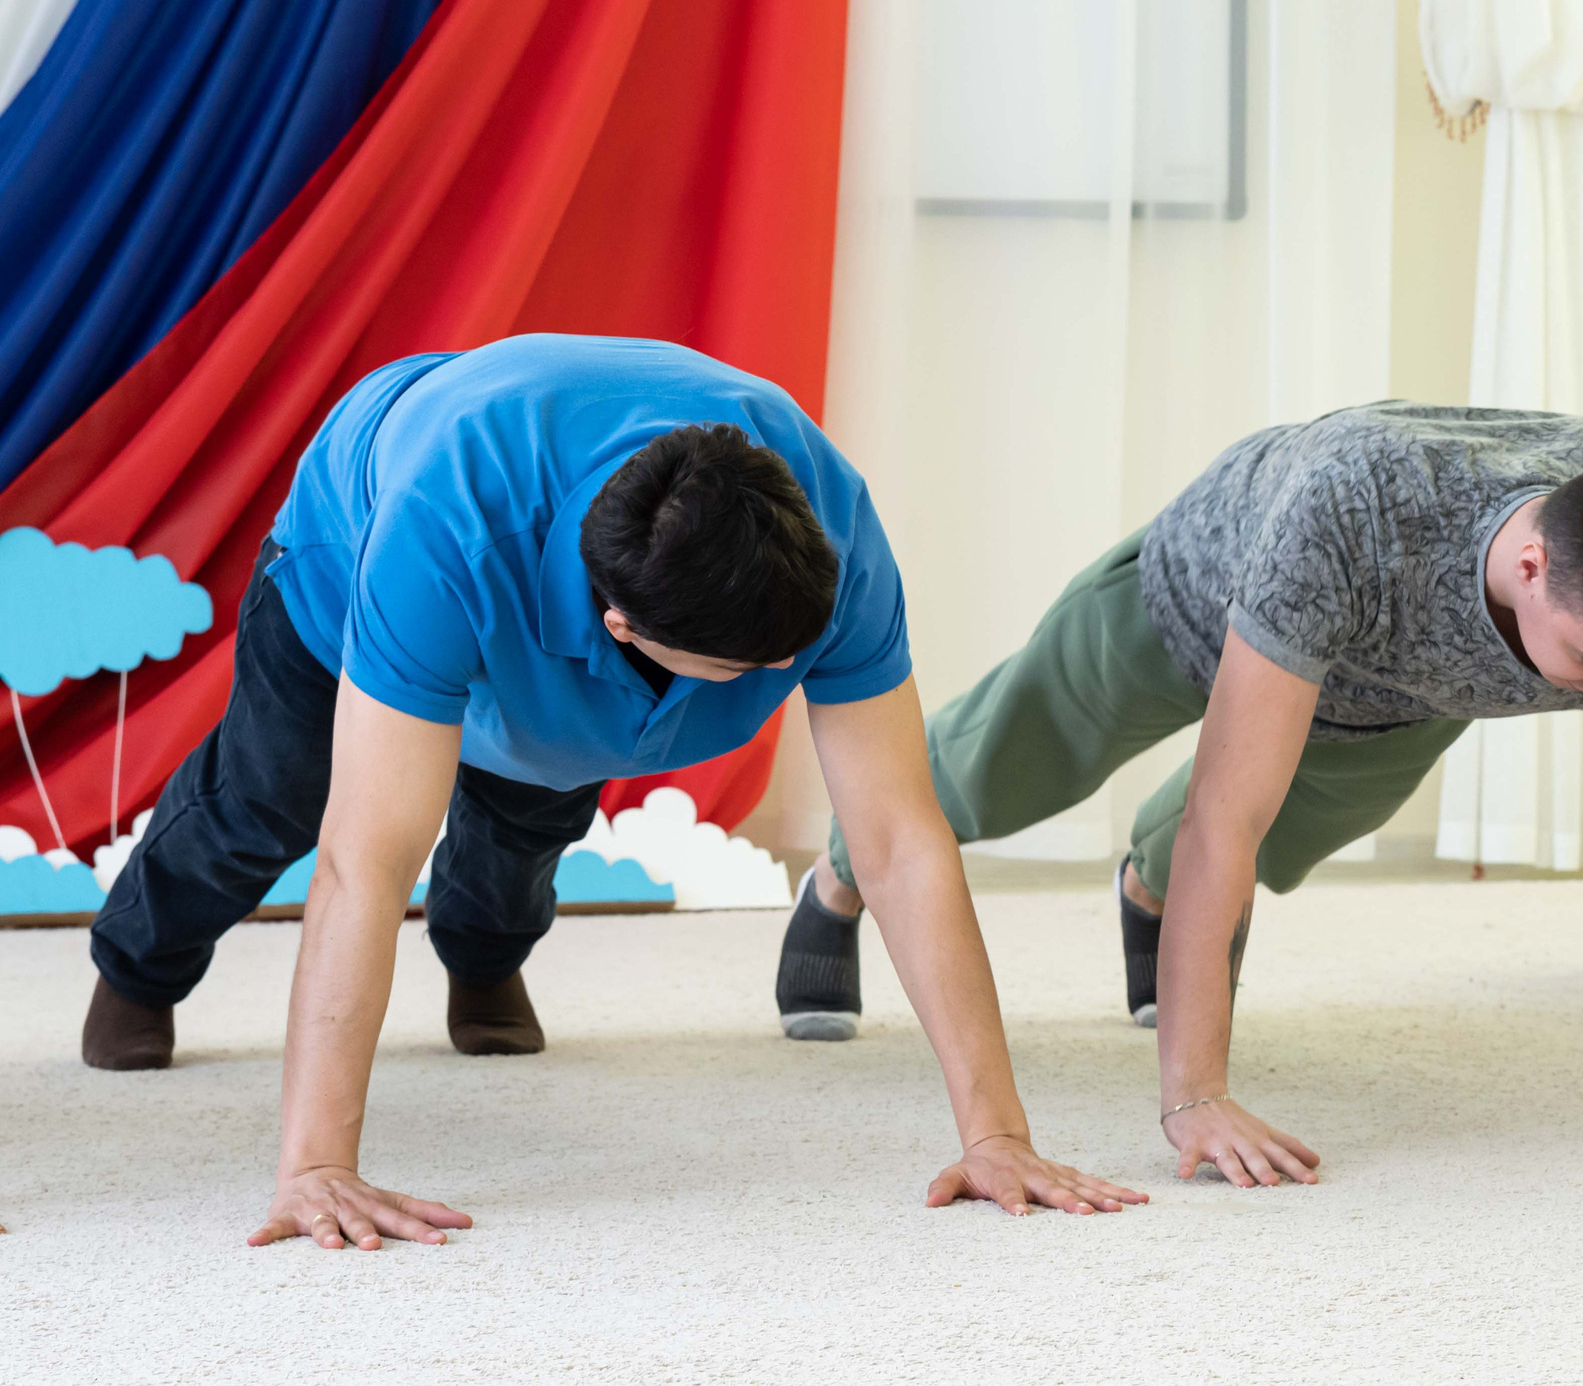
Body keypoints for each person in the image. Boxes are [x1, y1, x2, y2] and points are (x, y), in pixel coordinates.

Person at [82, 334, 1143, 1245]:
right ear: (621, 629)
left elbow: (903, 841)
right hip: (366, 525)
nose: (780, 687)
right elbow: (367, 858)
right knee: (268, 797)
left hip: (588, 565)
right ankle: (138, 964)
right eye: (751, 675)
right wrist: (316, 1163)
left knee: (534, 801)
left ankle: (485, 962)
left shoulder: (831, 531)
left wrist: (998, 1133)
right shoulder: (444, 528)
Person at [776, 400, 1583, 1188]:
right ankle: (838, 873)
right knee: (1003, 770)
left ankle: (1144, 893)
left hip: (1395, 690)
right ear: (1531, 566)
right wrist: (1193, 1097)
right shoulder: (1357, 505)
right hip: (1196, 596)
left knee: (1286, 839)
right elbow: (1226, 814)